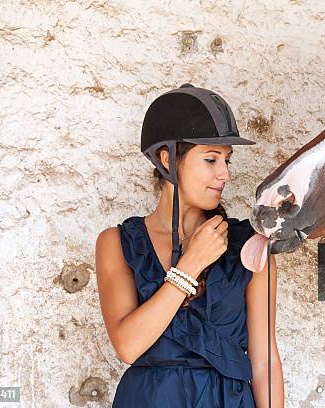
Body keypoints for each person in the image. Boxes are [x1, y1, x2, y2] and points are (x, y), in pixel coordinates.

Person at [94, 84, 285, 407]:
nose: (224, 174)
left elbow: (265, 360)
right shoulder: (117, 243)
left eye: (227, 160)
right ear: (167, 160)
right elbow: (128, 346)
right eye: (211, 159)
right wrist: (189, 266)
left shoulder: (249, 245)